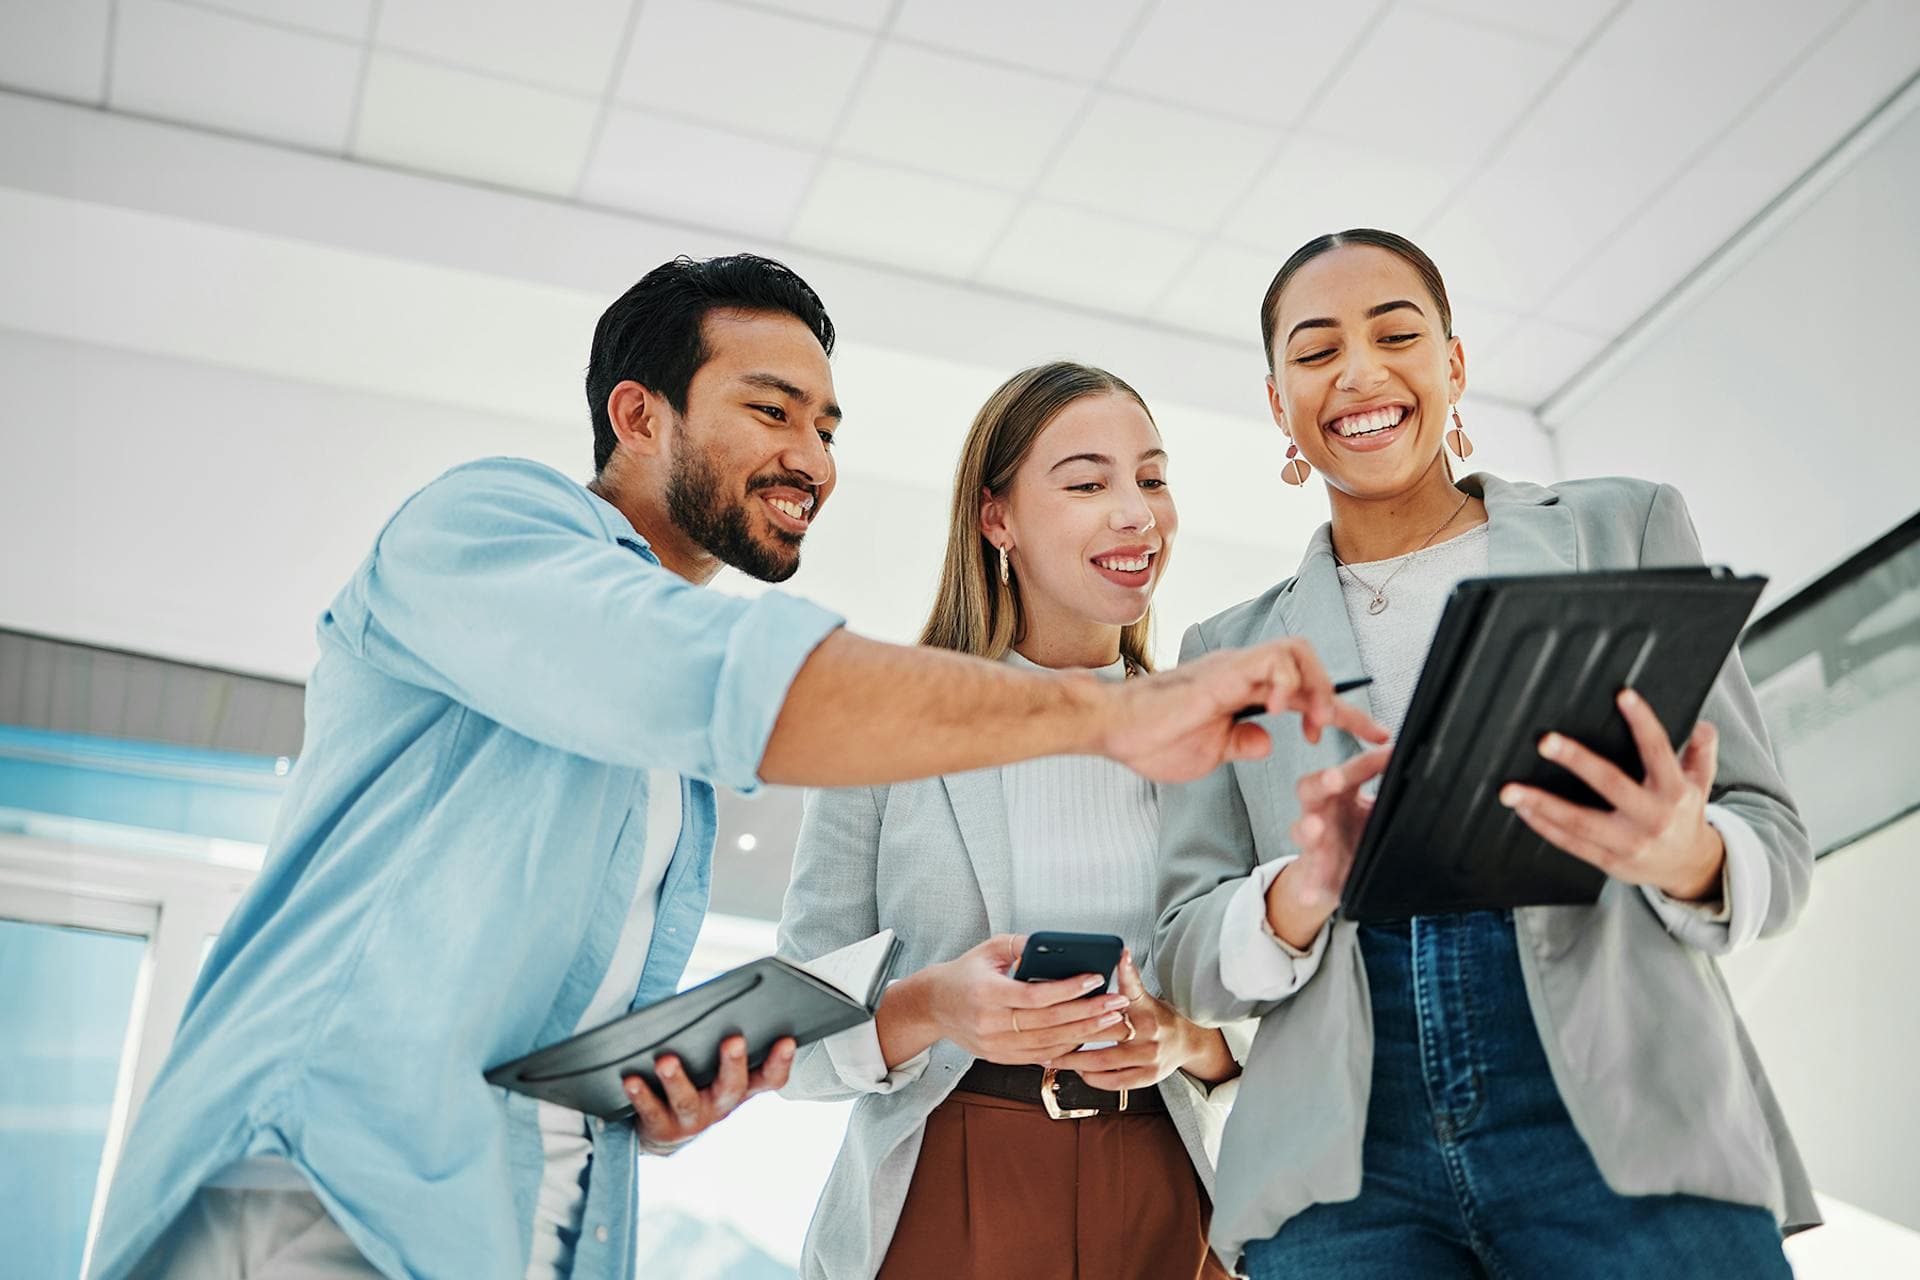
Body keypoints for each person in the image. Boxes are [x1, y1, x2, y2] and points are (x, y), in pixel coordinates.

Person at [90, 254, 1378, 1280]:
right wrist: (1096, 718)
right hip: (326, 1181)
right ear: (638, 415)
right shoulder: (489, 527)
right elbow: (722, 682)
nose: (812, 457)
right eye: (770, 410)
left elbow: (602, 1002)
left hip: (529, 1218)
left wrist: (679, 1077)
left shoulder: (668, 778)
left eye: (826, 423)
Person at [1152, 229, 1820, 1279]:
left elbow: (1773, 834)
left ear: (1453, 366)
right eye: (1316, 350)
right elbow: (1183, 950)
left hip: (1623, 1109)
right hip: (1344, 1162)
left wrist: (1688, 853)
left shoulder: (1624, 525)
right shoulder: (1221, 652)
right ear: (1280, 405)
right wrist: (1301, 890)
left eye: (1397, 334)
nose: (1360, 371)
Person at [778, 363, 1282, 1280]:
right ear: (996, 517)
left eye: (1153, 479)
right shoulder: (888, 723)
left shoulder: (1212, 737)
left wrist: (1183, 1040)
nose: (1135, 512)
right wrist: (936, 1005)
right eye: (1088, 483)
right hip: (950, 1176)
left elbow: (1273, 1009)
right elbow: (799, 1038)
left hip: (1173, 1184)